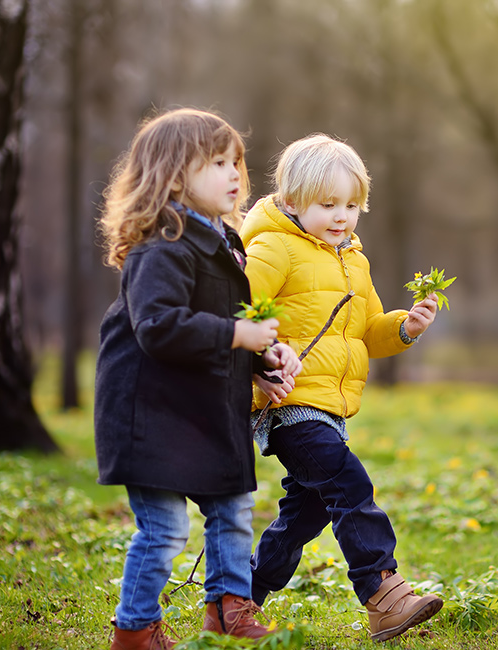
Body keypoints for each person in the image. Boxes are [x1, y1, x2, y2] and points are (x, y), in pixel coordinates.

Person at [94, 107, 302, 650]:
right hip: (152, 411)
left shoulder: (227, 244)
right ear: (173, 174)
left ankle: (229, 609)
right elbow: (159, 327)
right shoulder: (161, 245)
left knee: (231, 509)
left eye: (237, 161)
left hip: (209, 407)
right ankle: (135, 630)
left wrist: (267, 357)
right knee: (163, 529)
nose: (236, 174)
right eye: (217, 162)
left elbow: (237, 323)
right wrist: (238, 337)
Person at [240, 133, 443, 642]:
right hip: (288, 403)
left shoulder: (354, 260)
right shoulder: (273, 247)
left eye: (352, 205)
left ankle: (241, 593)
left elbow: (368, 331)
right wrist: (263, 359)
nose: (341, 216)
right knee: (350, 484)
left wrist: (405, 327)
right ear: (291, 201)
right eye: (327, 204)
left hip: (330, 410)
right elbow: (239, 309)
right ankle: (383, 593)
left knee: (304, 514)